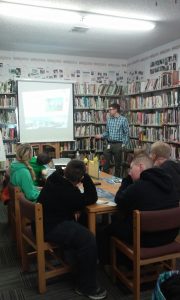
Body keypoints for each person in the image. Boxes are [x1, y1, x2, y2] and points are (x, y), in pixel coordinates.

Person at [38, 159, 107, 300]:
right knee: (88, 238)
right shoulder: (68, 192)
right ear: (80, 179)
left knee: (83, 224)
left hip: (43, 222)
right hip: (51, 228)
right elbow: (91, 197)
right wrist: (86, 176)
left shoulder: (54, 177)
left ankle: (83, 263)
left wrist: (78, 175)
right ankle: (87, 287)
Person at [98, 154, 179, 265]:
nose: (129, 172)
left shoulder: (138, 187)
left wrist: (126, 180)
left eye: (131, 168)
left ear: (141, 167)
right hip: (169, 236)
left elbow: (119, 200)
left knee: (106, 229)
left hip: (145, 239)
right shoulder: (170, 184)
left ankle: (112, 266)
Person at [95, 103, 129, 177]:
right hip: (109, 144)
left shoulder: (123, 120)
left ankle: (117, 180)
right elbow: (107, 132)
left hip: (118, 144)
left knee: (118, 164)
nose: (109, 111)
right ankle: (105, 178)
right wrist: (101, 136)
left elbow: (126, 133)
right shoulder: (109, 120)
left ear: (116, 110)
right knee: (105, 163)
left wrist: (124, 144)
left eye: (110, 109)